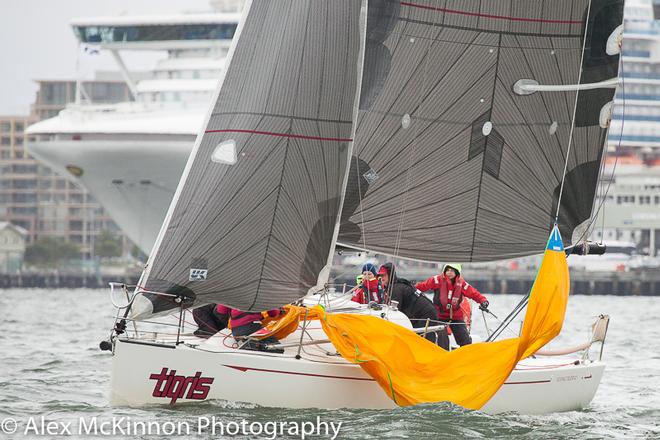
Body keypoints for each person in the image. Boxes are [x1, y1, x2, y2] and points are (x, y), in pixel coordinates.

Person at [415, 263, 489, 350]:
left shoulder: (462, 284)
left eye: (452, 271)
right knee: (442, 335)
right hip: (439, 316)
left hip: (455, 316)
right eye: (447, 270)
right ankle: (445, 355)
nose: (449, 272)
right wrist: (412, 289)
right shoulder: (436, 280)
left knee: (465, 339)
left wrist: (483, 301)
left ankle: (467, 355)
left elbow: (474, 293)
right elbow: (422, 286)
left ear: (457, 272)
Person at [377, 262, 439, 344]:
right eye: (380, 276)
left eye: (383, 275)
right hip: (424, 314)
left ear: (390, 275)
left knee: (419, 342)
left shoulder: (396, 289)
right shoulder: (396, 285)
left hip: (426, 315)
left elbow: (394, 313)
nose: (381, 278)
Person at [194, 304, 284, 352]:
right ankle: (252, 346)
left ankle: (250, 346)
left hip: (236, 331)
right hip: (253, 326)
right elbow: (273, 313)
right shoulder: (259, 293)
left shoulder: (234, 295)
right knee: (278, 348)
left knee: (256, 343)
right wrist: (279, 309)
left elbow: (220, 311)